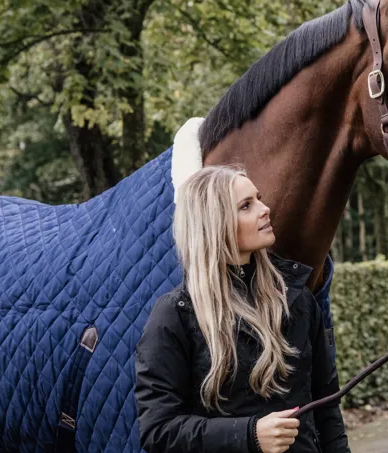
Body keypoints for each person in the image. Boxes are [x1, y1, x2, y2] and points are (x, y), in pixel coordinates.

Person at [135, 165, 350, 453]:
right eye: (247, 206)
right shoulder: (176, 315)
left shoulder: (297, 299)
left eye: (258, 199)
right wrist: (249, 435)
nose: (265, 209)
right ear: (215, 222)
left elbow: (327, 406)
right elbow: (158, 431)